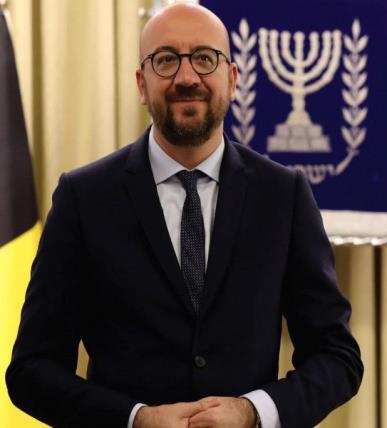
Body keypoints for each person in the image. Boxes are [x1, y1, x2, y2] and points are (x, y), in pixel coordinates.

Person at [5, 3, 363, 428]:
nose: (187, 77)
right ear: (142, 83)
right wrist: (135, 419)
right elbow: (31, 371)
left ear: (231, 79)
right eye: (166, 60)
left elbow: (337, 357)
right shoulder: (84, 197)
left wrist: (253, 412)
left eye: (205, 59)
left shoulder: (283, 196)